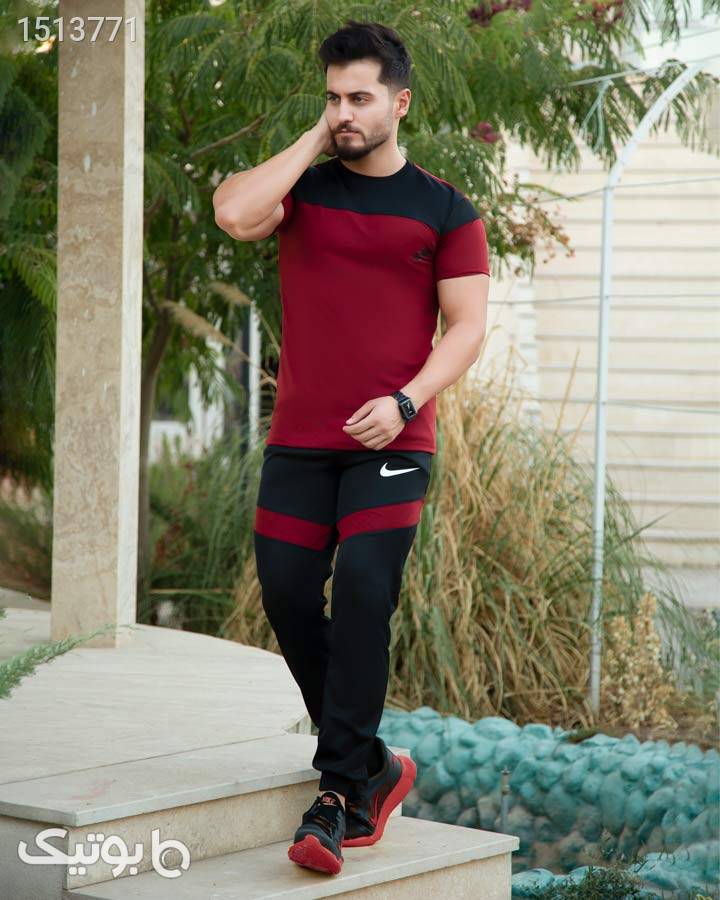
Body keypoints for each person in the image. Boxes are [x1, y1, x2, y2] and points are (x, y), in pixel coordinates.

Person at [213, 19, 490, 877]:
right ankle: (374, 762)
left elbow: (468, 326)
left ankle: (338, 794)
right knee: (289, 595)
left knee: (367, 588)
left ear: (400, 103)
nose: (344, 112)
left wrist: (407, 399)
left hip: (394, 439)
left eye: (360, 97)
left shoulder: (446, 209)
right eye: (333, 97)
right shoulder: (303, 191)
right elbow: (235, 213)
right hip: (301, 440)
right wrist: (314, 137)